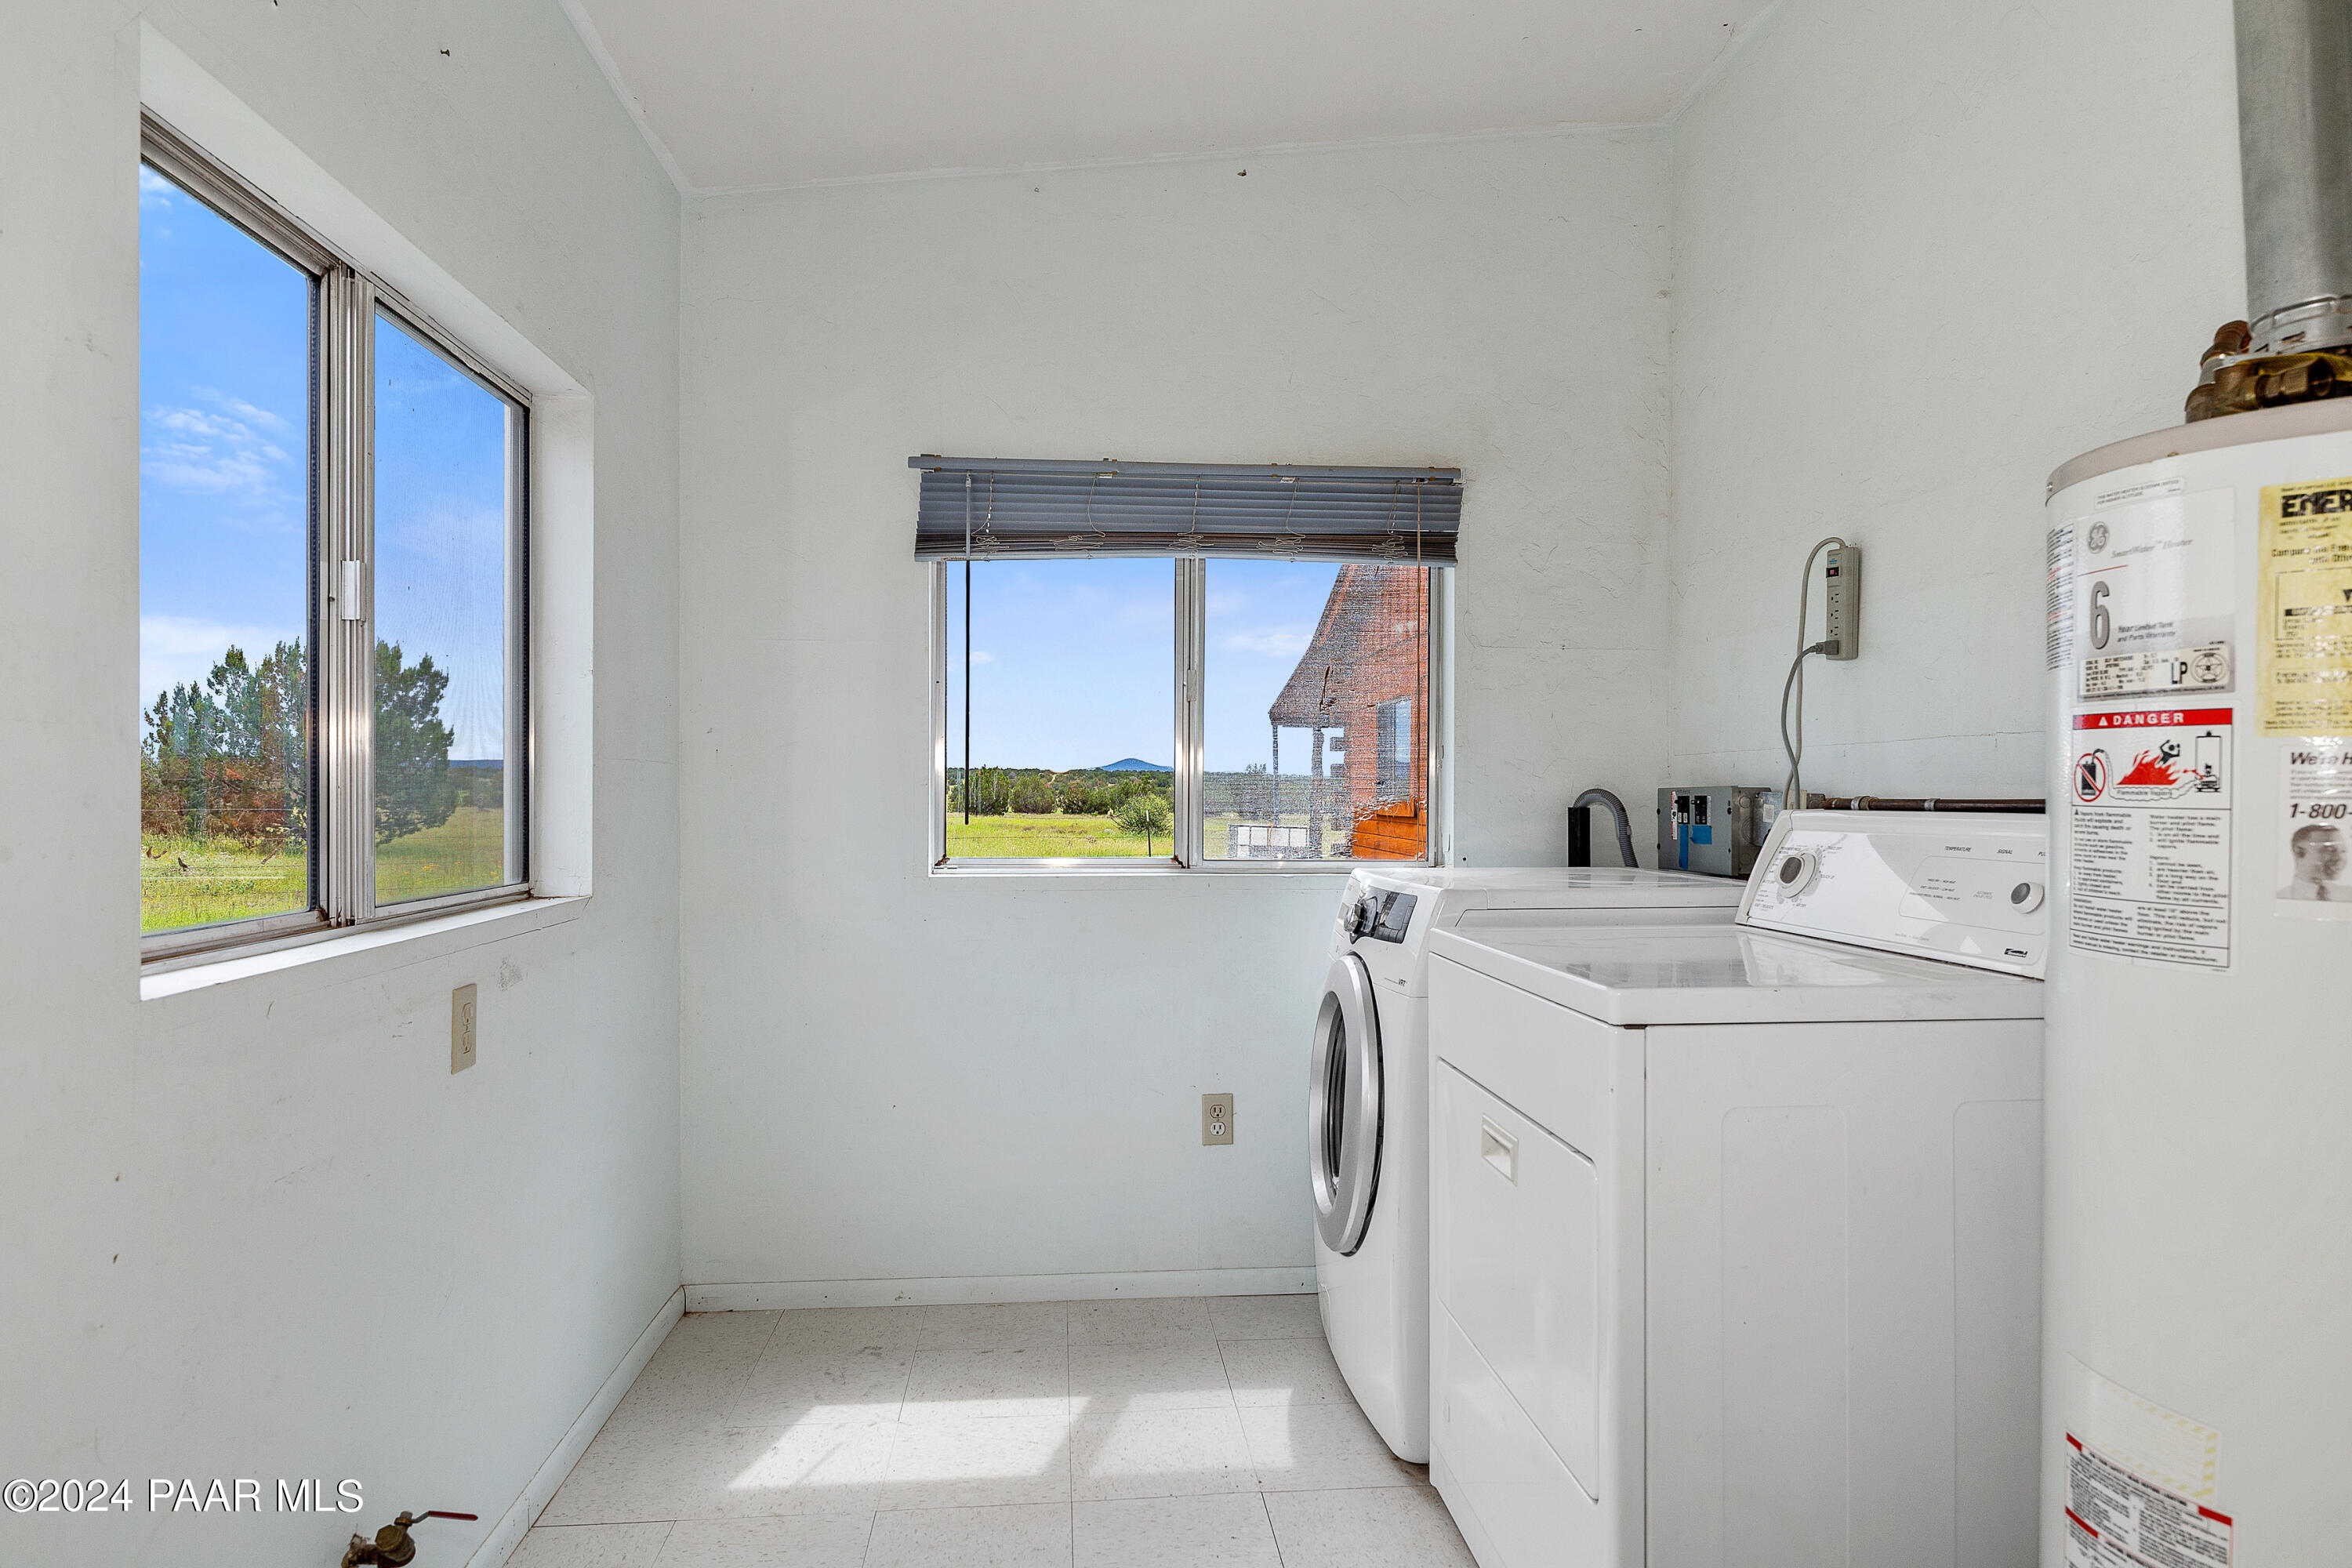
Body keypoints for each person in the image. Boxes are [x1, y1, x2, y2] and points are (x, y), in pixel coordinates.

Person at [2281, 822, 2352, 901]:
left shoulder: (2348, 895)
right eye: (2330, 850)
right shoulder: (2280, 897)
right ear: (2299, 852)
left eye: (2343, 851)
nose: (2340, 859)